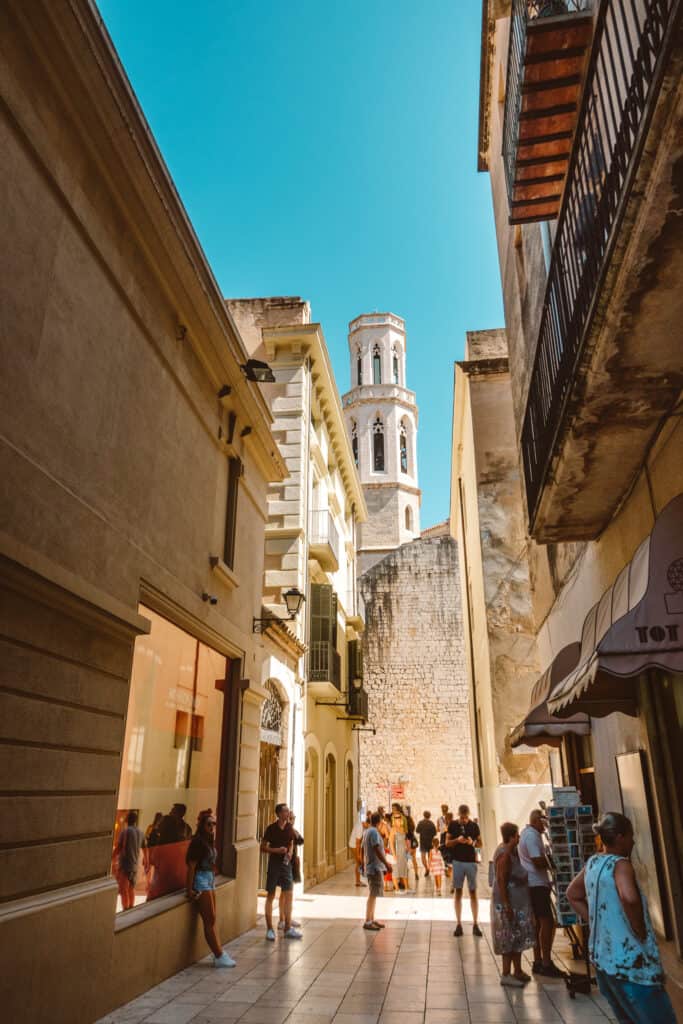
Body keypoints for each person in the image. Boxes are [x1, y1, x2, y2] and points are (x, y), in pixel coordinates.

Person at [567, 812, 676, 1024]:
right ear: (619, 837)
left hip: (604, 965)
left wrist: (600, 922)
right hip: (632, 968)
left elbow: (573, 894)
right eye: (630, 835)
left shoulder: (593, 863)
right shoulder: (621, 864)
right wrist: (639, 930)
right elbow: (629, 898)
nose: (633, 840)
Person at [186, 809, 235, 968]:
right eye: (209, 824)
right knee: (209, 919)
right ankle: (219, 955)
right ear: (202, 825)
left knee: (213, 918)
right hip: (201, 879)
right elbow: (191, 867)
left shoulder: (209, 840)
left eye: (214, 823)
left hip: (210, 879)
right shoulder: (197, 842)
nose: (212, 826)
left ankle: (219, 952)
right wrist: (189, 889)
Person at [518, 808, 563, 977]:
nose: (545, 825)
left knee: (539, 922)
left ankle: (538, 961)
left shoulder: (529, 834)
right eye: (543, 822)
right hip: (536, 884)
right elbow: (537, 861)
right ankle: (545, 961)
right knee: (547, 922)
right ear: (536, 821)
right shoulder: (531, 836)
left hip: (535, 883)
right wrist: (553, 859)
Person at [492, 822, 534, 987]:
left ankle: (517, 970)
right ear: (511, 837)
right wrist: (507, 905)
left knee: (517, 935)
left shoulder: (511, 852)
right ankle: (506, 973)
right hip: (509, 903)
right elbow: (502, 880)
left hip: (518, 902)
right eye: (517, 835)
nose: (519, 838)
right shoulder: (505, 854)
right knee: (508, 936)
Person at [260, 803, 301, 941]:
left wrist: (289, 852)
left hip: (286, 865)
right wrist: (276, 850)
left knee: (289, 894)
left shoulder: (289, 827)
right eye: (285, 811)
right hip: (274, 864)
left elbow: (291, 842)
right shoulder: (271, 829)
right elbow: (263, 847)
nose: (287, 813)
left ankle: (288, 927)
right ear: (278, 814)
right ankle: (269, 929)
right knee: (271, 895)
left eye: (288, 811)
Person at [447, 804, 483, 937]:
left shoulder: (474, 826)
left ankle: (475, 924)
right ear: (458, 815)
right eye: (462, 817)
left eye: (465, 817)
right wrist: (457, 840)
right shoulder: (453, 825)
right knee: (458, 892)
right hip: (457, 862)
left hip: (471, 862)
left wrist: (471, 842)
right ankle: (458, 924)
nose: (463, 820)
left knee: (473, 892)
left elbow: (480, 843)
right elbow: (447, 843)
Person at [362, 811, 390, 930]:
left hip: (372, 866)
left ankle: (372, 919)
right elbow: (376, 848)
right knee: (373, 894)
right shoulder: (373, 832)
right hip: (374, 867)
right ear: (379, 822)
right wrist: (386, 863)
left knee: (374, 894)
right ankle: (368, 921)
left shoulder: (368, 831)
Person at [115, 811, 145, 910]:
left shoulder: (126, 831)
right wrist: (146, 860)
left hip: (126, 864)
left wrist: (111, 858)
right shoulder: (140, 832)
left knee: (123, 889)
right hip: (135, 865)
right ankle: (131, 908)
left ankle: (125, 910)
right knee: (131, 889)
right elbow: (145, 847)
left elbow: (119, 847)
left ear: (127, 819)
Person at [279, 812, 303, 930]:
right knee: (284, 893)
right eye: (290, 818)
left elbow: (300, 840)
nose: (292, 820)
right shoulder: (283, 831)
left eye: (293, 818)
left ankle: (288, 917)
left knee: (289, 892)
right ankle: (281, 919)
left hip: (292, 864)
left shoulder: (292, 831)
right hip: (284, 864)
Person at [389, 803, 409, 891]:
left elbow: (405, 840)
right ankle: (396, 889)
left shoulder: (403, 829)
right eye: (396, 819)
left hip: (402, 852)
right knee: (396, 870)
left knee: (404, 868)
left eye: (400, 819)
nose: (399, 821)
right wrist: (393, 854)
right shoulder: (393, 830)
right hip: (396, 852)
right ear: (394, 820)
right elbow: (391, 842)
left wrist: (407, 848)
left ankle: (407, 887)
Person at [416, 810, 437, 877]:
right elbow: (435, 833)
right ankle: (429, 868)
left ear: (423, 815)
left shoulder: (421, 823)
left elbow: (417, 831)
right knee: (430, 857)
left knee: (423, 857)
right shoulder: (432, 823)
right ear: (429, 816)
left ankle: (426, 868)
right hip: (430, 842)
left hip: (423, 842)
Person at [406, 814, 419, 880]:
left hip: (408, 844)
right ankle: (416, 873)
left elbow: (406, 838)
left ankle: (405, 875)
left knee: (406, 860)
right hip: (413, 843)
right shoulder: (412, 826)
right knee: (414, 859)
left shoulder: (405, 828)